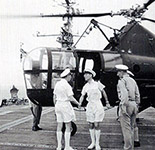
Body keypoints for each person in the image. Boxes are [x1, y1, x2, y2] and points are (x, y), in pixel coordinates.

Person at [79, 68, 110, 150]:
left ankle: (97, 144)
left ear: (91, 75)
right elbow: (82, 95)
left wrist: (107, 102)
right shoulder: (85, 86)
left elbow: (103, 92)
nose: (85, 76)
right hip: (90, 105)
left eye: (87, 74)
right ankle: (92, 142)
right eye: (84, 74)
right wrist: (79, 103)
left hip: (97, 104)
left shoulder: (97, 84)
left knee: (96, 124)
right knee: (90, 124)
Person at [53, 68, 80, 150]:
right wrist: (78, 104)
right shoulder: (67, 85)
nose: (71, 77)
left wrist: (55, 106)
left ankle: (59, 146)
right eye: (70, 76)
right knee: (68, 126)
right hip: (65, 105)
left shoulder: (57, 84)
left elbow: (54, 97)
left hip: (58, 105)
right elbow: (71, 97)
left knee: (59, 126)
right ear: (67, 76)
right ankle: (67, 146)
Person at [115, 64, 140, 150]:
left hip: (126, 104)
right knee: (132, 128)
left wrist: (123, 106)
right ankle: (131, 147)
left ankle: (127, 148)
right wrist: (136, 104)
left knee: (126, 130)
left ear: (122, 72)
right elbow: (137, 94)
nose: (117, 74)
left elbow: (124, 95)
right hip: (133, 105)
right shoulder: (133, 80)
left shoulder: (122, 81)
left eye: (118, 72)